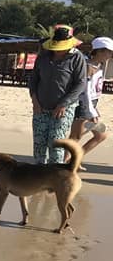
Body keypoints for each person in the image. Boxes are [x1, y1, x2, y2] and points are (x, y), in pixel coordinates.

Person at [29, 24, 87, 164]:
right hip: (41, 107)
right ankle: (38, 173)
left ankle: (54, 176)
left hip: (63, 109)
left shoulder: (77, 58)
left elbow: (80, 84)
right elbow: (33, 80)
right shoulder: (43, 57)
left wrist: (63, 104)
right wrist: (35, 101)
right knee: (39, 143)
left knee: (56, 142)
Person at [71, 36, 113, 159]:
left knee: (100, 134)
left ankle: (73, 160)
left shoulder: (98, 66)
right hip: (83, 107)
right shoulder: (88, 67)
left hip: (91, 107)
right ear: (99, 51)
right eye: (108, 52)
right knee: (75, 138)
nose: (110, 55)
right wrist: (91, 111)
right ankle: (67, 163)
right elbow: (85, 92)